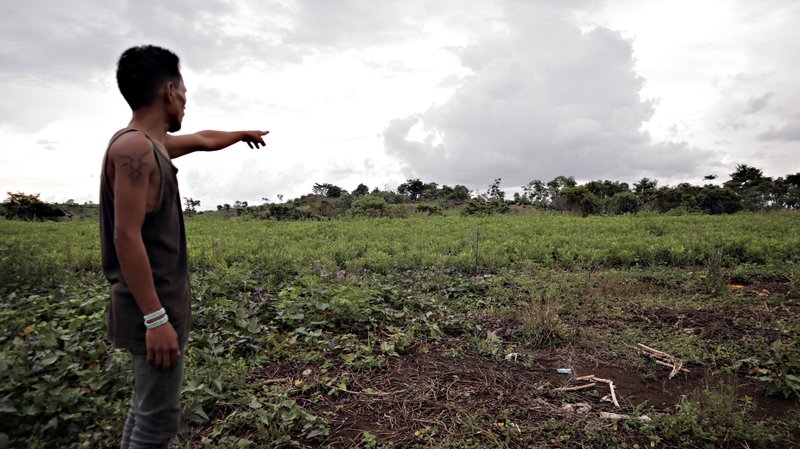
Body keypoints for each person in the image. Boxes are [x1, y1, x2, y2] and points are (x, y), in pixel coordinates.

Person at [99, 44, 268, 448]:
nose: (186, 104)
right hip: (151, 307)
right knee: (156, 425)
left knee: (144, 411)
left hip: (158, 303)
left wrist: (241, 133)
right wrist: (155, 319)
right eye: (186, 94)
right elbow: (127, 235)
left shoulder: (152, 145)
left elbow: (203, 139)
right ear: (170, 90)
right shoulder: (134, 149)